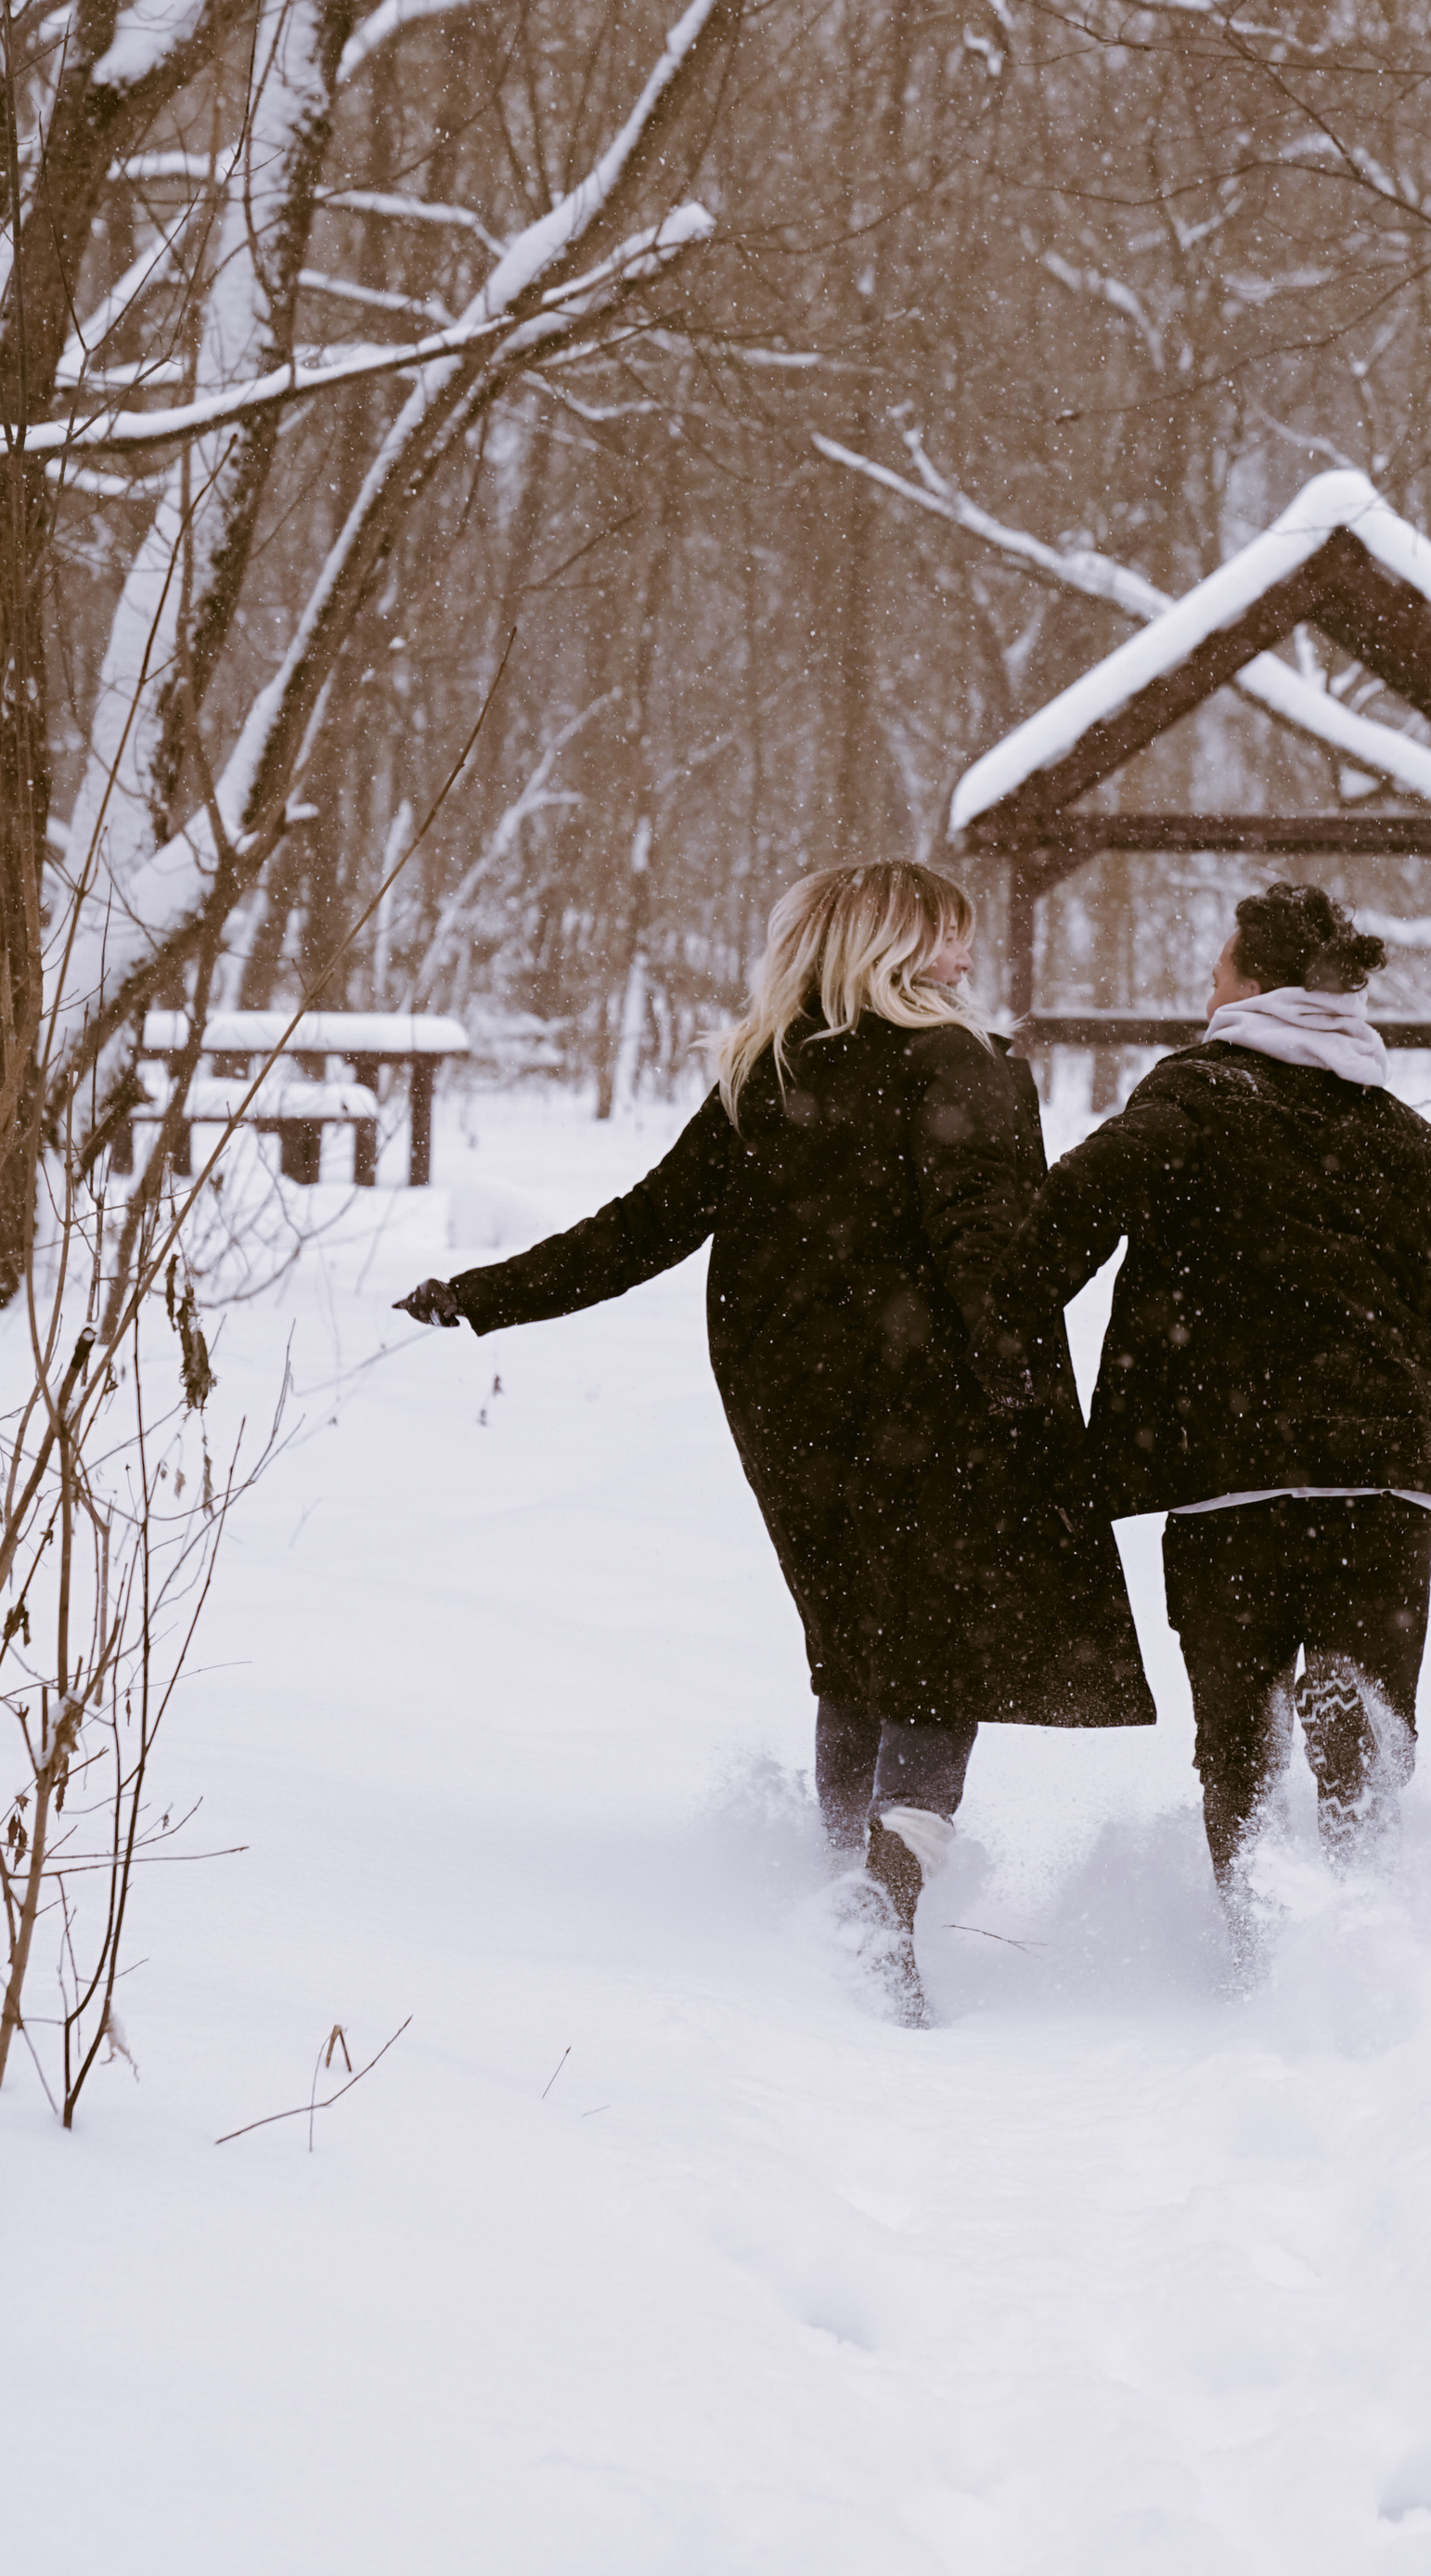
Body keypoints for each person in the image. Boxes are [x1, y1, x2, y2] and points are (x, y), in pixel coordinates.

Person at [395, 859, 1153, 2022]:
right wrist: (1037, 1422)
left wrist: (489, 1292)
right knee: (934, 1658)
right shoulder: (964, 1065)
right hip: (931, 1405)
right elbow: (988, 1263)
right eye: (950, 942)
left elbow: (644, 1226)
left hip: (790, 1407)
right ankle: (878, 1911)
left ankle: (835, 1877)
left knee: (852, 1641)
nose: (966, 963)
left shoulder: (771, 1071)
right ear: (895, 949)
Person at [988, 882, 1431, 1958]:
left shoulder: (1188, 1102)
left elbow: (1047, 1246)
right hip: (1381, 1488)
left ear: (1251, 985)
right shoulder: (1412, 1142)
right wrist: (1387, 1424)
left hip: (1229, 1482)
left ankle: (1261, 1949)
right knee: (1366, 1722)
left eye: (1217, 969)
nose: (1206, 986)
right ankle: (1363, 1941)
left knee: (1237, 1739)